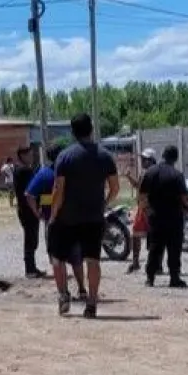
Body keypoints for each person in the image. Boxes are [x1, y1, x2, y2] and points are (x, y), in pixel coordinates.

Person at [48, 113, 119, 318]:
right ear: (92, 129)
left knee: (57, 258)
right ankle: (92, 302)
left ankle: (63, 296)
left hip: (66, 218)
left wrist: (54, 214)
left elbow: (58, 190)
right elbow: (114, 188)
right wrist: (103, 205)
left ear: (72, 132)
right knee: (92, 260)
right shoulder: (105, 156)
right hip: (93, 217)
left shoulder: (65, 157)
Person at [26, 144, 87, 300]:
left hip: (53, 222)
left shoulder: (45, 174)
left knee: (57, 259)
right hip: (74, 221)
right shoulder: (75, 173)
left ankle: (63, 293)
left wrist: (36, 212)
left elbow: (29, 194)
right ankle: (81, 290)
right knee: (76, 258)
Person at [139, 145, 188, 288]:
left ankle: (150, 277)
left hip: (155, 216)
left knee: (155, 247)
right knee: (174, 248)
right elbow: (185, 198)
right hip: (174, 217)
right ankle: (174, 277)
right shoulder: (176, 175)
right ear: (175, 158)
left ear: (163, 156)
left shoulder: (150, 172)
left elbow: (142, 196)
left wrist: (146, 210)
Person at [13, 146, 45, 278]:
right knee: (31, 239)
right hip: (28, 208)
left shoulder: (20, 170)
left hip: (24, 208)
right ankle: (30, 269)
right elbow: (31, 191)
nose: (31, 157)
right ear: (22, 156)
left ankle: (31, 268)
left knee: (31, 238)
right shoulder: (25, 171)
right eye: (29, 155)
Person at [125, 147, 158, 274]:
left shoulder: (152, 174)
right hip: (144, 207)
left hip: (147, 207)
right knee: (141, 235)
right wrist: (129, 177)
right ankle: (137, 262)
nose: (142, 161)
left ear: (151, 160)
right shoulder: (145, 173)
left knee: (143, 235)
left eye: (145, 159)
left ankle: (138, 262)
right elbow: (138, 186)